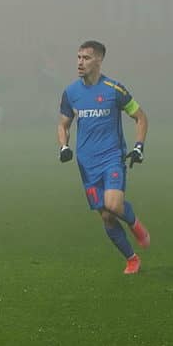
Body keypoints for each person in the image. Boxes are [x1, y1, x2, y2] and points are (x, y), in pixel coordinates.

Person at [57, 40, 152, 274]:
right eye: (78, 57)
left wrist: (139, 146)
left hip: (112, 157)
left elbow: (140, 117)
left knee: (113, 205)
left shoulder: (114, 89)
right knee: (107, 217)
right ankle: (132, 259)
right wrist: (63, 146)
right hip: (87, 164)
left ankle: (134, 222)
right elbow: (63, 124)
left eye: (86, 58)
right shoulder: (71, 92)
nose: (80, 62)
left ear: (99, 60)